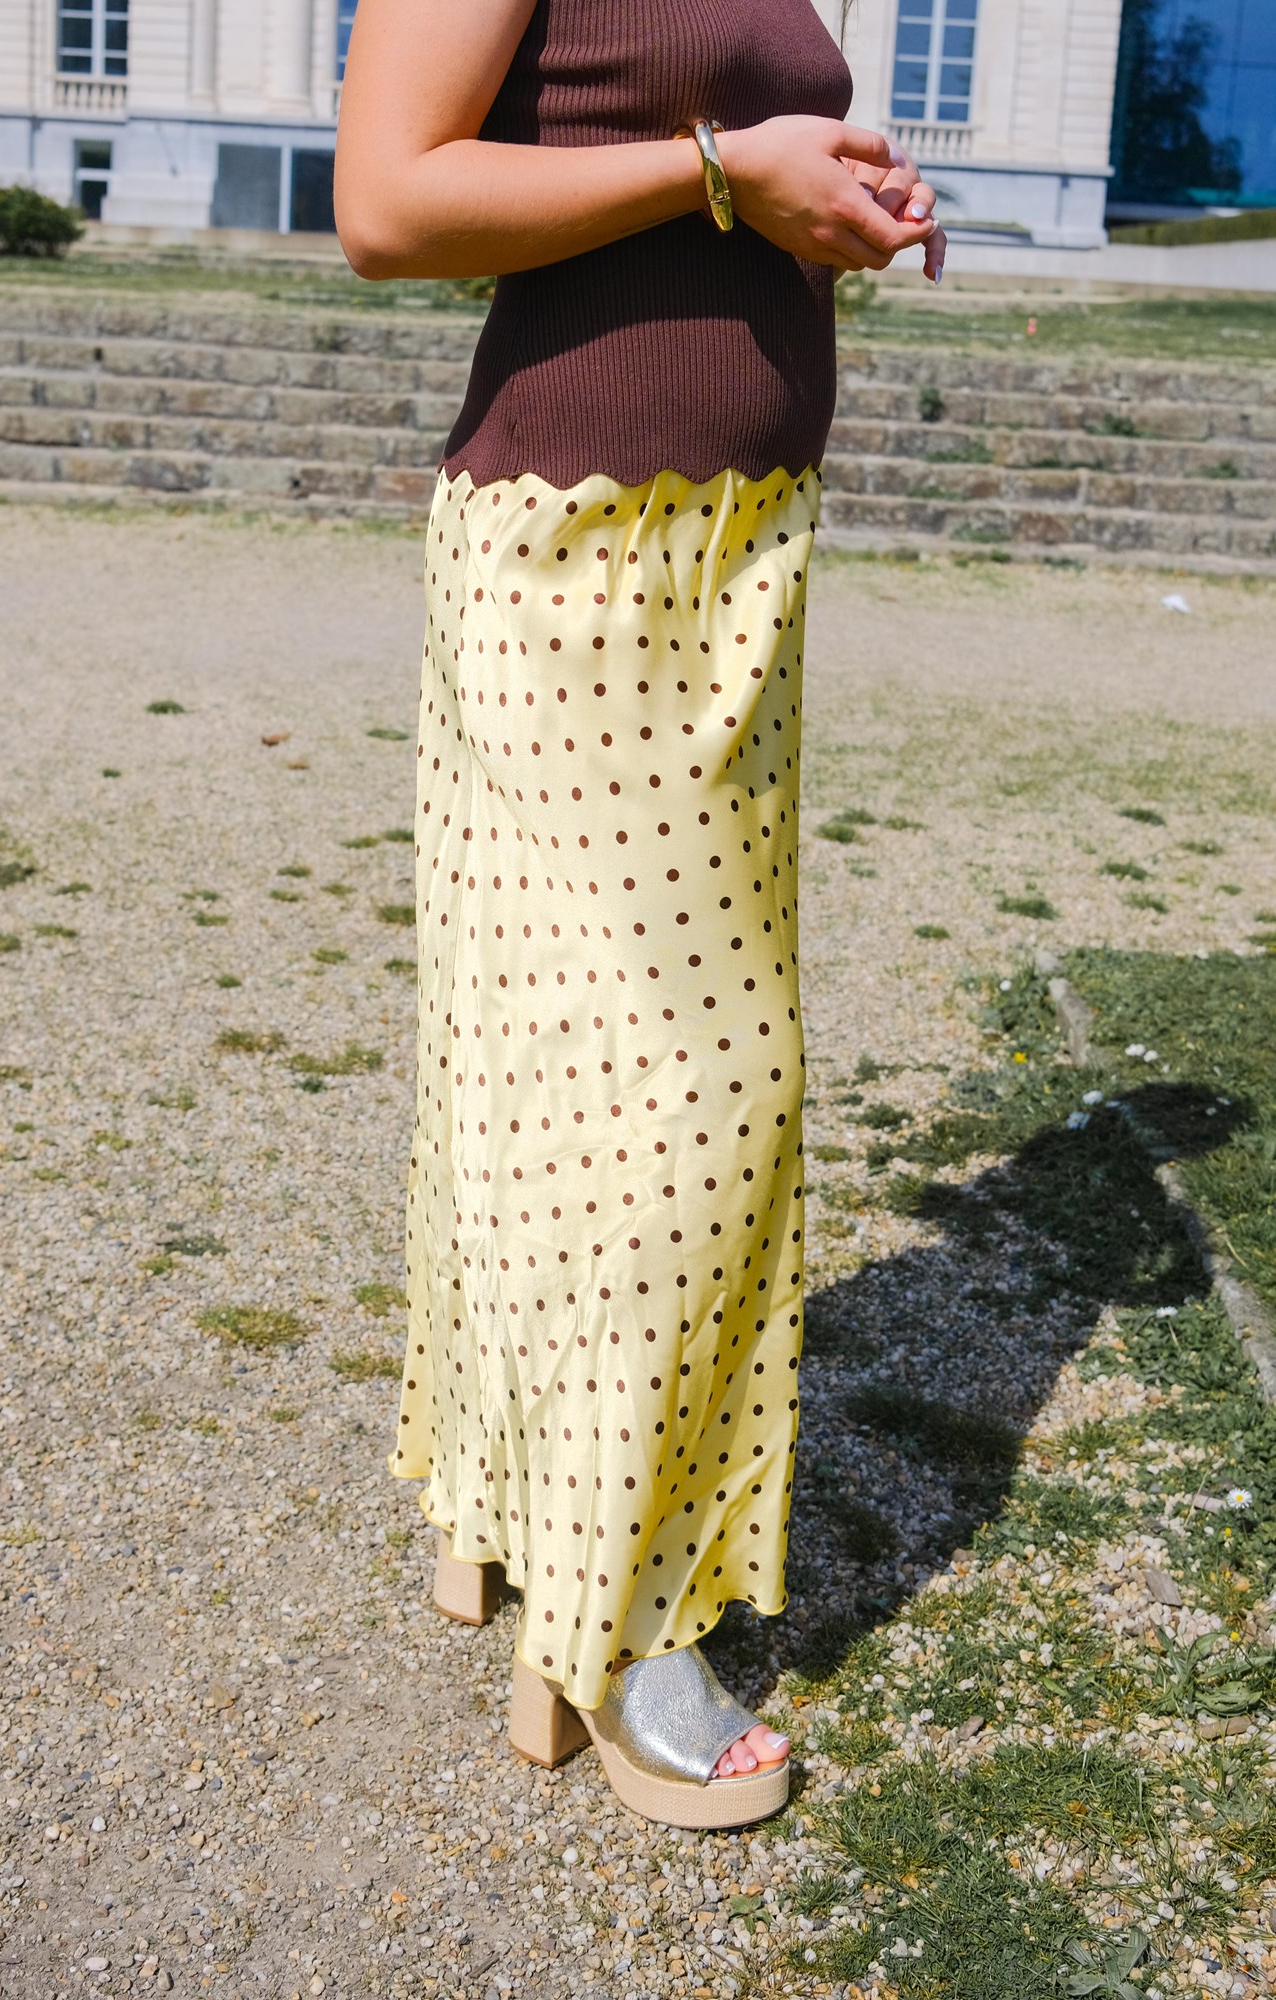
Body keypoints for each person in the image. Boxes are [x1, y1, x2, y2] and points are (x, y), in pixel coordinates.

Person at [335, 0, 945, 1831]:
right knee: (692, 1105)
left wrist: (828, 197)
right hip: (576, 561)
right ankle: (624, 1622)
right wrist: (720, 171)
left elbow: (710, 154)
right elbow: (386, 203)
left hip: (738, 543)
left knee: (544, 1076)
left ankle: (493, 1498)